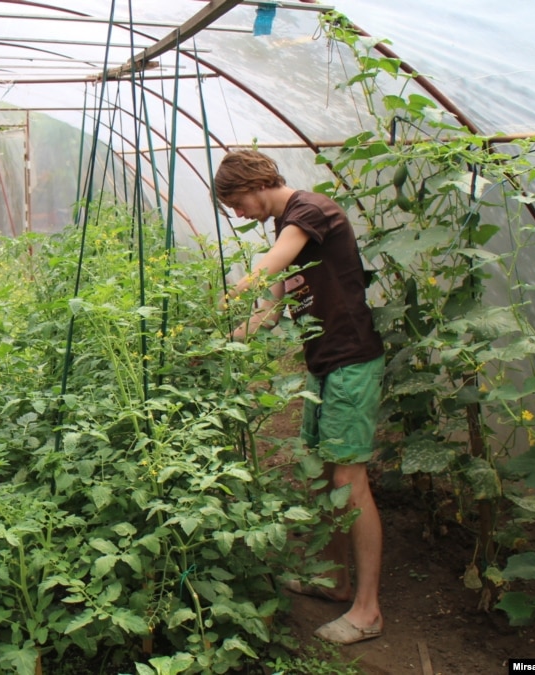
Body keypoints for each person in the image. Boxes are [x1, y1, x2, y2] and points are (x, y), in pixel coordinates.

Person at [214, 150, 385, 645]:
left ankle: (368, 611)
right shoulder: (288, 226)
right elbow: (270, 309)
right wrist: (217, 340)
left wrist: (233, 292)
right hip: (326, 363)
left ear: (257, 181)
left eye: (236, 201)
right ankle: (333, 580)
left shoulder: (311, 211)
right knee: (320, 475)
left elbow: (267, 272)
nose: (238, 213)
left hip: (352, 360)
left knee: (350, 481)